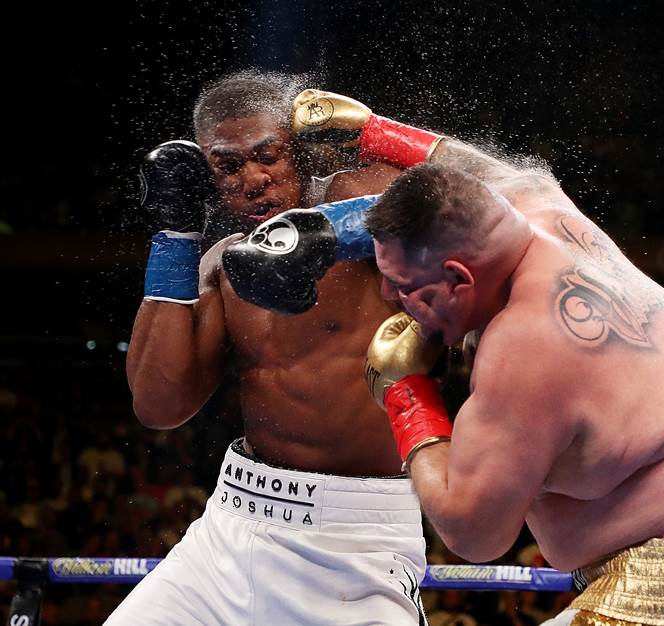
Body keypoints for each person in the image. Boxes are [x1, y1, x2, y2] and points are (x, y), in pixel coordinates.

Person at [286, 91, 664, 625]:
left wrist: (407, 393)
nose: (391, 298)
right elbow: (483, 171)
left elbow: (474, 531)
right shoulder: (542, 211)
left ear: (458, 278)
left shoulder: (526, 347)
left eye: (406, 285)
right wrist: (376, 133)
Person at [108, 72, 429, 625]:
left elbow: (474, 201)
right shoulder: (222, 265)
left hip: (354, 537)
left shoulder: (356, 199)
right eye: (228, 167)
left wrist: (340, 217)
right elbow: (159, 406)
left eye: (267, 156)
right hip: (230, 526)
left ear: (298, 150)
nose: (253, 180)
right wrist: (175, 239)